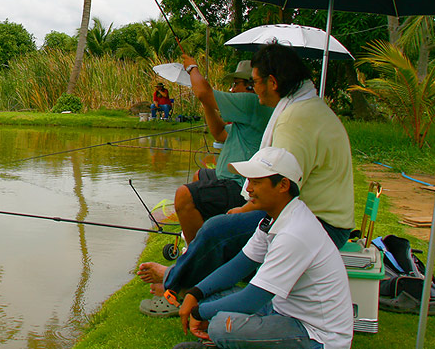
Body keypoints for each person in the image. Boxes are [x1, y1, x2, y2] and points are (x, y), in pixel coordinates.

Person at [137, 43, 354, 315]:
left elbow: (280, 188)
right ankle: (188, 280)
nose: (253, 89)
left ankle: (175, 290)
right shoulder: (304, 108)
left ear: (272, 82)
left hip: (321, 226)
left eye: (254, 82)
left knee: (217, 230)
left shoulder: (294, 120)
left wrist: (244, 208)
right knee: (227, 230)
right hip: (313, 216)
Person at [171, 147, 353, 349]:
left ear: (283, 185)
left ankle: (230, 348)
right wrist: (195, 294)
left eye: (256, 182)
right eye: (248, 181)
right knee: (212, 300)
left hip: (316, 339)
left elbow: (252, 299)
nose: (248, 190)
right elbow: (239, 265)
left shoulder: (294, 233)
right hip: (282, 311)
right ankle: (236, 345)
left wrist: (198, 312)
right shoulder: (272, 220)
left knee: (219, 325)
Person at [170, 57, 272, 244]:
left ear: (251, 86)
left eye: (236, 84)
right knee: (200, 175)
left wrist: (192, 68)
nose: (232, 89)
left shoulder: (251, 103)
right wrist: (207, 104)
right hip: (227, 177)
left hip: (240, 185)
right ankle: (209, 234)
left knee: (184, 195)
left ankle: (195, 254)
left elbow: (204, 92)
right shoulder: (248, 119)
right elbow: (219, 134)